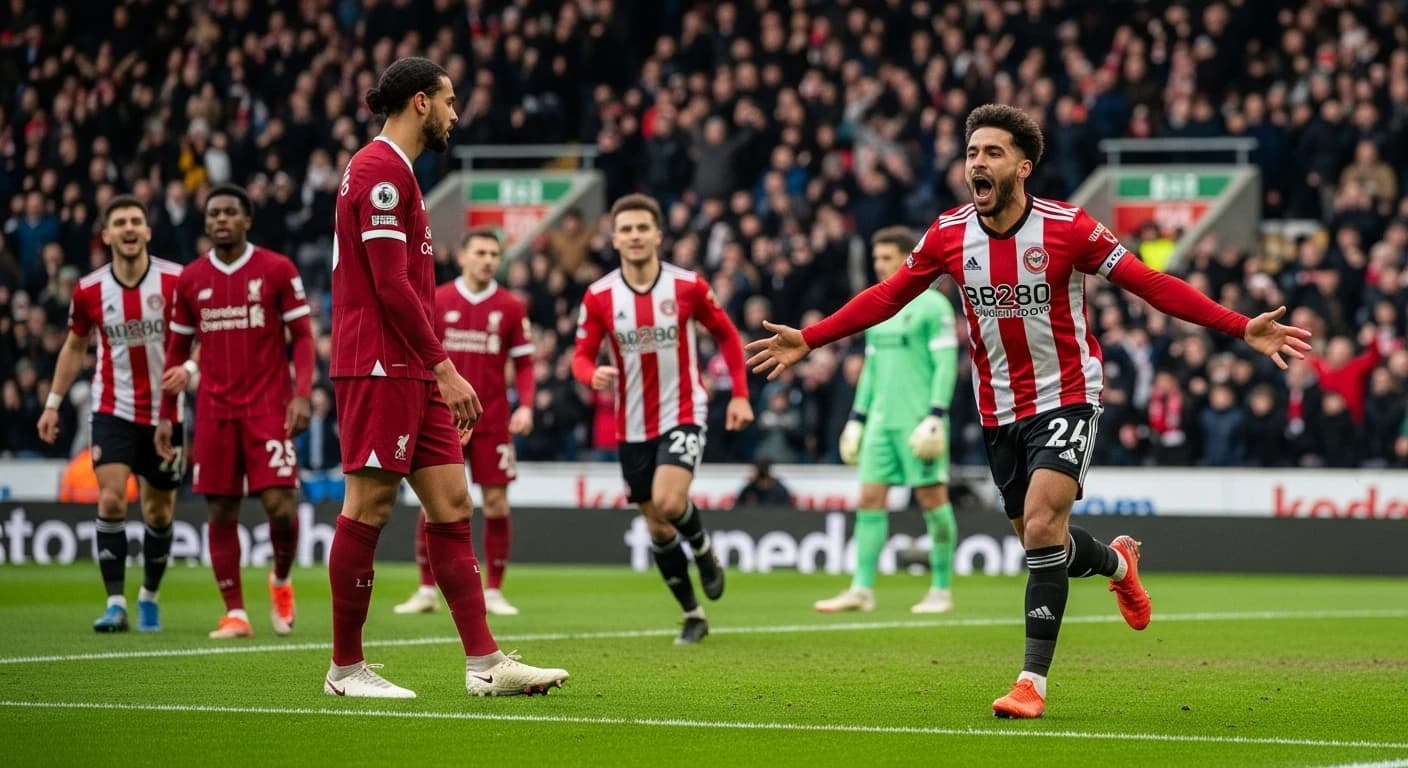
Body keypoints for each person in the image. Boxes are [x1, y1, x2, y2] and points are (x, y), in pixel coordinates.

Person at [745, 104, 1312, 718]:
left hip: (1068, 395)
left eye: (991, 153)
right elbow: (887, 297)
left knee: (1043, 527)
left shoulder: (1070, 229)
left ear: (1024, 165)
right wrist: (812, 338)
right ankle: (1119, 564)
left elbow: (1149, 283)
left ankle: (1030, 684)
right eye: (971, 154)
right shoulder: (948, 234)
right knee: (1043, 542)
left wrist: (1237, 326)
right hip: (998, 410)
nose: (977, 164)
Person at [325, 56, 567, 698]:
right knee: (369, 505)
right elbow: (390, 285)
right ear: (421, 104)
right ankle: (345, 669)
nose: (457, 115)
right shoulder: (379, 171)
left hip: (411, 368)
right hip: (381, 363)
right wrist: (445, 366)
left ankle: (485, 664)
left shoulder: (398, 175)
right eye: (451, 102)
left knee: (453, 505)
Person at [573, 193, 755, 645]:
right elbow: (579, 355)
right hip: (630, 422)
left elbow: (728, 336)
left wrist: (740, 395)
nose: (635, 236)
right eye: (626, 230)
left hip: (684, 408)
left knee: (671, 503)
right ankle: (693, 614)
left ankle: (704, 550)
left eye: (642, 228)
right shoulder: (599, 297)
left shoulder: (688, 286)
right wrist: (590, 373)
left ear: (658, 235)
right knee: (655, 524)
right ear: (614, 239)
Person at [155, 184, 315, 640]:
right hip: (214, 410)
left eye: (230, 212)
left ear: (247, 220)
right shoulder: (191, 279)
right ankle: (236, 614)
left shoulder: (277, 270)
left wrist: (301, 393)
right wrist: (168, 414)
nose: (221, 220)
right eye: (214, 214)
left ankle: (281, 580)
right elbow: (176, 352)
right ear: (205, 224)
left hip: (269, 407)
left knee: (280, 506)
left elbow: (303, 336)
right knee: (221, 510)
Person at [36, 195, 186, 633]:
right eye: (120, 222)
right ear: (107, 234)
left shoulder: (176, 282)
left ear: (147, 230)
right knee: (112, 499)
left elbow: (196, 337)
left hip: (165, 414)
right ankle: (116, 603)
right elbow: (75, 346)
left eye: (136, 220)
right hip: (112, 408)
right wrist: (52, 403)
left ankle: (149, 597)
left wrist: (190, 371)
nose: (129, 228)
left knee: (158, 513)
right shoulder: (88, 289)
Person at [814, 225, 960, 616]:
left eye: (886, 257)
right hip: (880, 421)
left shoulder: (933, 307)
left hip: (918, 422)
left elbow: (946, 366)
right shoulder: (878, 307)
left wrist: (935, 414)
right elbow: (872, 370)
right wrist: (857, 418)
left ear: (906, 258)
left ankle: (941, 588)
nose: (879, 265)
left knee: (932, 499)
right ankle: (862, 588)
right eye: (876, 258)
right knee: (869, 499)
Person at [395, 228, 535, 617]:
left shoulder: (511, 306)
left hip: (492, 421)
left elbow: (523, 363)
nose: (488, 259)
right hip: (441, 418)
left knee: (495, 501)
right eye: (481, 252)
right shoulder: (437, 299)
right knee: (433, 502)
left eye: (494, 253)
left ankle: (493, 591)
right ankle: (425, 589)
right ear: (462, 256)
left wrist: (525, 405)